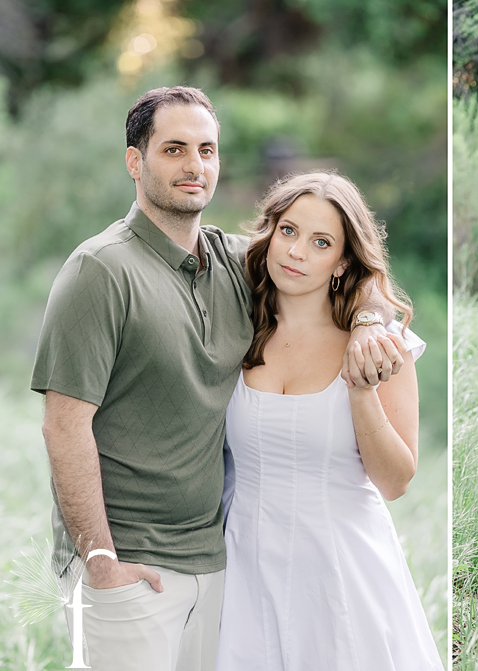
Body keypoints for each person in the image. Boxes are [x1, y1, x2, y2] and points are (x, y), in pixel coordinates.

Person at [30, 86, 397, 671]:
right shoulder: (99, 271)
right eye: (173, 149)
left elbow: (343, 263)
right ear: (135, 161)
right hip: (131, 566)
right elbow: (63, 428)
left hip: (218, 563)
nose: (194, 165)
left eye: (207, 149)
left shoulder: (234, 260)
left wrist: (368, 325)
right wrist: (100, 562)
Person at [215, 171, 443, 670]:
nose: (296, 252)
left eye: (321, 243)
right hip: (246, 568)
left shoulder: (381, 345)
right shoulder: (235, 324)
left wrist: (361, 391)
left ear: (342, 261)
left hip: (341, 567)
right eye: (289, 231)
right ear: (270, 233)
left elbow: (396, 481)